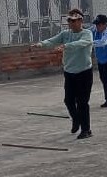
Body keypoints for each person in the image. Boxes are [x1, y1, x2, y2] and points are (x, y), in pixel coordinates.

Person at [37, 9, 95, 139]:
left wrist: (66, 46)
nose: (71, 23)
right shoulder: (65, 34)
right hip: (69, 72)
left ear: (80, 21)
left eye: (73, 21)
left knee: (82, 102)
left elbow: (81, 43)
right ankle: (76, 119)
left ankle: (86, 130)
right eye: (69, 21)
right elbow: (52, 40)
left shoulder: (87, 34)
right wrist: (41, 44)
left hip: (84, 72)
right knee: (68, 100)